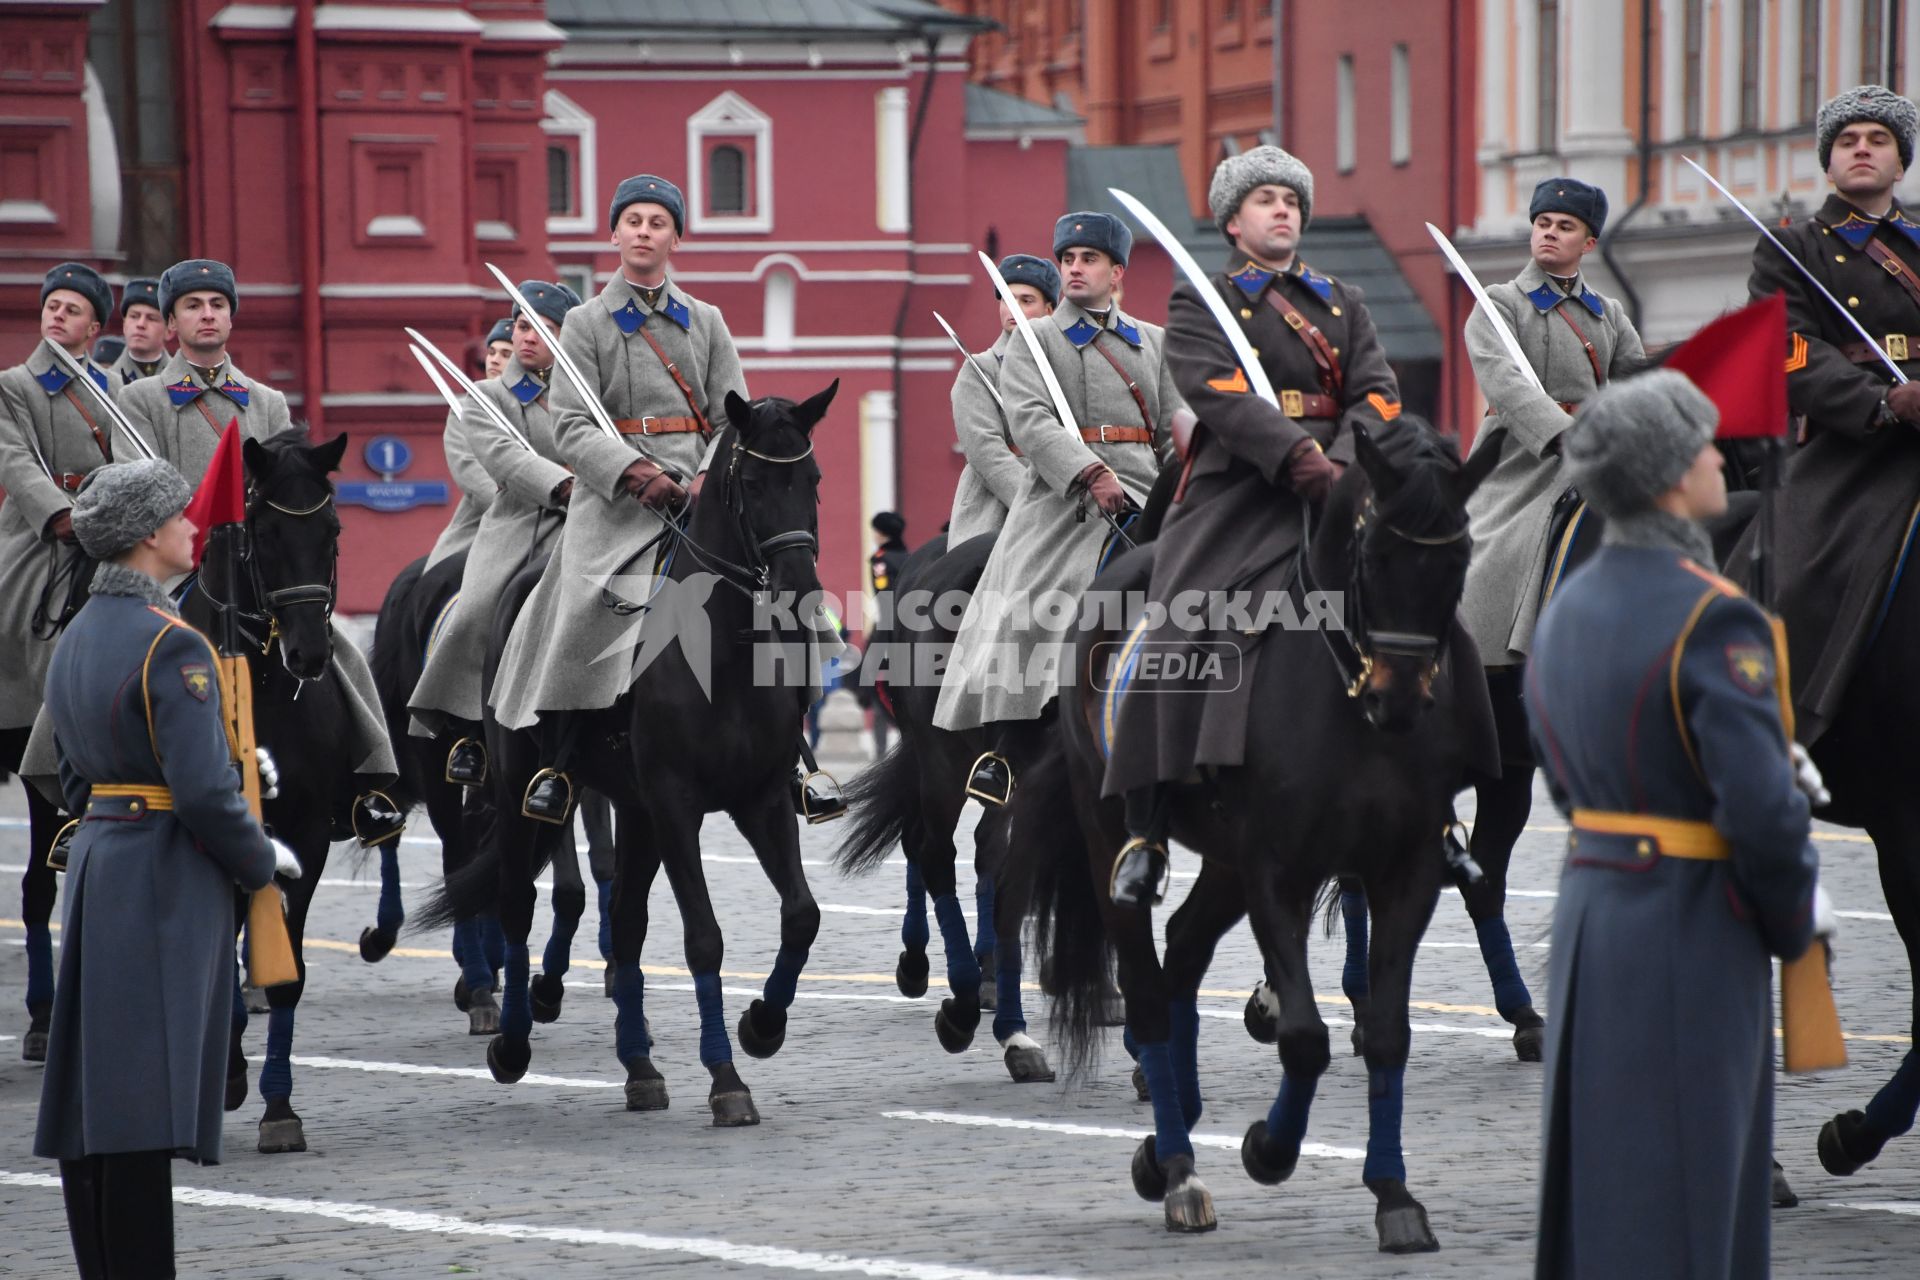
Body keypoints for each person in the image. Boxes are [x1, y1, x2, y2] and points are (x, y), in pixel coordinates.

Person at [1525, 370, 1830, 1280]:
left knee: (1602, 1203)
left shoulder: (1563, 607)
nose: (1715, 457)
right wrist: (1790, 924)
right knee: (1697, 1204)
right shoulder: (1715, 616)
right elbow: (1765, 819)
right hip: (1692, 926)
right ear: (1665, 477)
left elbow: (1563, 776)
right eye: (1700, 444)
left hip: (1593, 923)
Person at [1098, 147, 1406, 905]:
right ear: (1235, 223)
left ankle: (1434, 804)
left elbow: (1380, 393)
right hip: (1239, 491)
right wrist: (1300, 460)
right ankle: (1147, 821)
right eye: (1265, 200)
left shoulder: (1346, 301)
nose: (1282, 212)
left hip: (1343, 479)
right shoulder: (1204, 302)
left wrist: (1342, 463)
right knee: (1175, 623)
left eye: (1291, 201)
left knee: (1422, 607)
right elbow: (1219, 396)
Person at [34, 457, 302, 1279]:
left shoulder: (76, 632)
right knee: (142, 1109)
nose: (194, 528)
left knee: (98, 1105)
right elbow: (200, 795)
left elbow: (70, 774)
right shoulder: (170, 642)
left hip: (101, 864)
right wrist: (263, 859)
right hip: (160, 878)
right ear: (148, 536)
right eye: (181, 518)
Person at [1451, 176, 1646, 1029]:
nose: (1549, 236)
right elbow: (1513, 387)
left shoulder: (1607, 316)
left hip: (1602, 458)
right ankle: (1480, 661)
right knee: (1497, 556)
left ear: (1588, 242)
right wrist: (1575, 434)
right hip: (1523, 469)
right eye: (1541, 224)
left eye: (1565, 227)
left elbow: (1639, 381)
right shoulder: (1497, 303)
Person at [119, 258, 401, 844]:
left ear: (231, 318)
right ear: (172, 322)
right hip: (173, 559)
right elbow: (134, 479)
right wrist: (189, 522)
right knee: (111, 643)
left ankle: (368, 782)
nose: (207, 315)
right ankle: (73, 784)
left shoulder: (265, 400)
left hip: (255, 566)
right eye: (193, 306)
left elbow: (288, 474)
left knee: (336, 649)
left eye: (217, 305)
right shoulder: (143, 398)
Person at [490, 175, 744, 822]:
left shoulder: (708, 322)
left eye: (658, 222)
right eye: (633, 220)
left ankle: (792, 758)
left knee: (766, 594)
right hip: (616, 502)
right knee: (584, 606)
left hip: (697, 491)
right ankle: (562, 760)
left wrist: (708, 479)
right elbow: (571, 423)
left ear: (676, 238)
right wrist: (635, 473)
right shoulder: (585, 323)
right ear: (613, 233)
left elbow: (730, 417)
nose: (644, 232)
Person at [933, 211, 1183, 807]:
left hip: (1146, 492)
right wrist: (1089, 471)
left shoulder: (1154, 342)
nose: (1075, 268)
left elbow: (1173, 432)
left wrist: (1187, 482)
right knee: (1034, 600)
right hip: (1061, 500)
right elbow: (1029, 419)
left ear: (1117, 271)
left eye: (1089, 259)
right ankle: (1006, 746)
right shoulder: (1034, 339)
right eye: (1068, 259)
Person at [1749, 85, 1920, 746]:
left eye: (1877, 140)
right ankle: (1781, 723)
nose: (1862, 150)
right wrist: (1880, 402)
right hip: (1854, 445)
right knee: (1799, 577)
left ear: (1899, 163)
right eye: (1847, 141)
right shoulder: (1794, 248)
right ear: (1829, 163)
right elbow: (1788, 351)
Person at [0, 261, 118, 1059]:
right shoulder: (15, 385)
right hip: (43, 538)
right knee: (23, 618)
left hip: (113, 535)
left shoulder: (115, 388)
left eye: (73, 310)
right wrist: (63, 514)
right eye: (51, 306)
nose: (58, 318)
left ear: (96, 327)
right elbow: (15, 464)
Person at [411, 281, 581, 783]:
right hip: (520, 523)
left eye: (545, 330)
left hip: (590, 524)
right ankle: (468, 729)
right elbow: (505, 462)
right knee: (475, 613)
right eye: (525, 326)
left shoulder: (589, 395)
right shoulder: (485, 398)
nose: (530, 338)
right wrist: (566, 484)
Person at [945, 254, 1059, 546]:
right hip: (996, 508)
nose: (1013, 309)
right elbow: (985, 450)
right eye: (1007, 300)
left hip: (1063, 492)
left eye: (1026, 300)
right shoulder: (980, 370)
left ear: (1049, 309)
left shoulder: (1067, 367)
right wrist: (1032, 503)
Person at [424, 321, 511, 570]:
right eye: (492, 352)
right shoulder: (465, 409)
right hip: (484, 525)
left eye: (506, 355)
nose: (493, 360)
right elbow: (469, 471)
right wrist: (517, 509)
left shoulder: (550, 406)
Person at [864, 511, 909, 758]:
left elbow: (883, 598)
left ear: (881, 533)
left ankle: (880, 753)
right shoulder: (911, 557)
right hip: (912, 630)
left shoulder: (880, 560)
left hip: (887, 633)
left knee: (877, 689)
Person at [110, 278, 168, 385]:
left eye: (151, 318)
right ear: (124, 324)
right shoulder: (104, 382)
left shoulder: (184, 378)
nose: (140, 324)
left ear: (169, 331)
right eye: (134, 316)